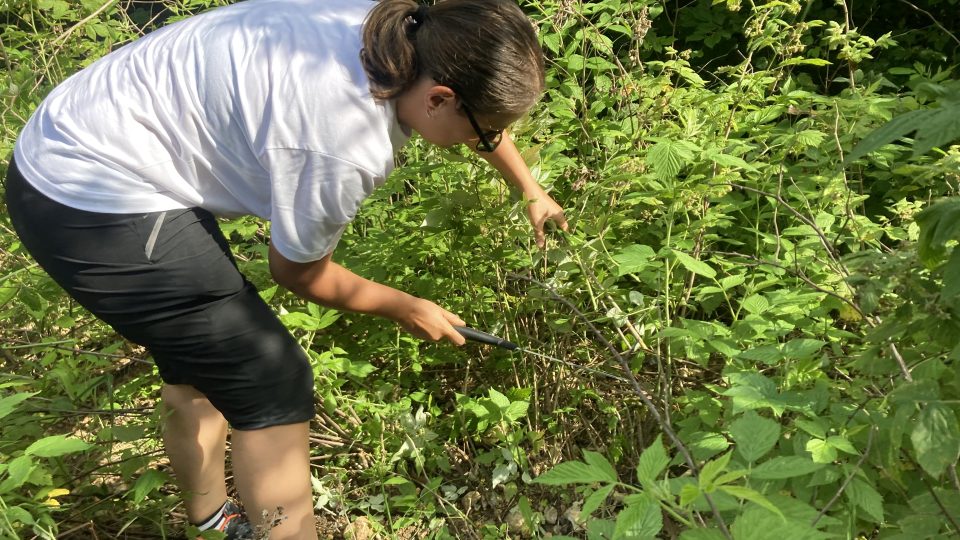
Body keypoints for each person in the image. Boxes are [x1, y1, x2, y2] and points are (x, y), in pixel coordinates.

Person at [3, 0, 568, 537]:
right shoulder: (343, 141)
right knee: (269, 378)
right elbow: (299, 273)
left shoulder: (399, 29)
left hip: (91, 132)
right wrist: (405, 306)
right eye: (484, 131)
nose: (486, 141)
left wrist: (529, 188)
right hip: (87, 193)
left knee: (206, 361)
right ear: (440, 99)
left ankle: (214, 526)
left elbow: (474, 97)